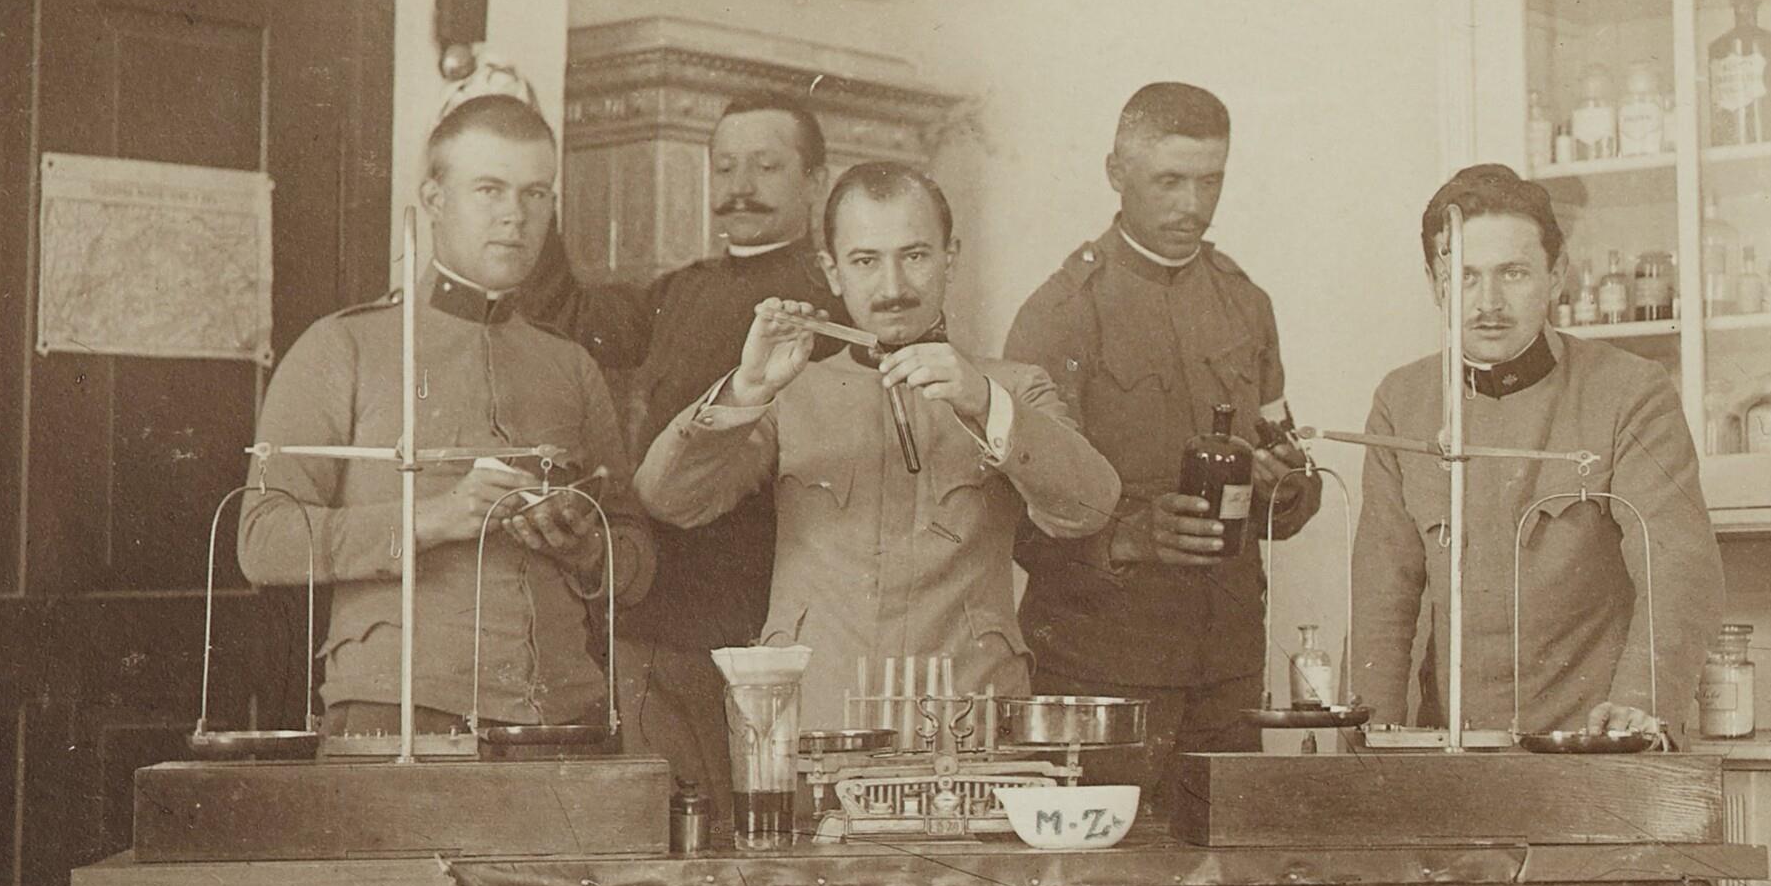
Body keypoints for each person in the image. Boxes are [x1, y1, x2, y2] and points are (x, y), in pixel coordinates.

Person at [635, 162, 1120, 729]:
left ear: (950, 258)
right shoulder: (792, 394)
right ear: (832, 271)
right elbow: (668, 499)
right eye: (865, 261)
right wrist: (748, 388)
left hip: (968, 724)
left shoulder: (1013, 387)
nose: (893, 288)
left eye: (915, 256)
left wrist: (984, 401)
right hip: (820, 726)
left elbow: (1090, 509)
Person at [239, 92, 654, 735]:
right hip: (400, 711)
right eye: (489, 190)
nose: (515, 215)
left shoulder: (570, 365)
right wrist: (433, 518)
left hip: (564, 716)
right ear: (434, 199)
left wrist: (587, 548)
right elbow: (263, 541)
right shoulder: (344, 346)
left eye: (535, 194)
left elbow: (635, 559)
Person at [505, 93, 846, 803]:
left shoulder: (831, 303)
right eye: (724, 167)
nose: (740, 187)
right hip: (652, 609)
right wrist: (531, 194)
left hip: (757, 626)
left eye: (766, 167)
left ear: (815, 180)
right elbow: (570, 314)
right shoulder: (684, 290)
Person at [1002, 82, 1321, 813]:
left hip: (1227, 668)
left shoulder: (1246, 303)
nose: (1193, 206)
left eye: (1211, 181)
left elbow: (1289, 477)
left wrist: (1285, 485)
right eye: (1169, 181)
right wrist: (1128, 537)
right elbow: (1012, 517)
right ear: (1116, 173)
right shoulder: (1060, 315)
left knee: (1226, 867)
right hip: (1100, 671)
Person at [1346, 163, 1724, 742]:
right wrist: (1362, 748)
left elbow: (1678, 568)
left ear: (1557, 274)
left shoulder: (1629, 391)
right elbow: (1382, 595)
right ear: (1433, 283)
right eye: (1464, 277)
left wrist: (1638, 708)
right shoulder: (1402, 401)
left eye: (1514, 273)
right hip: (1452, 751)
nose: (1488, 303)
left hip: (1594, 746)